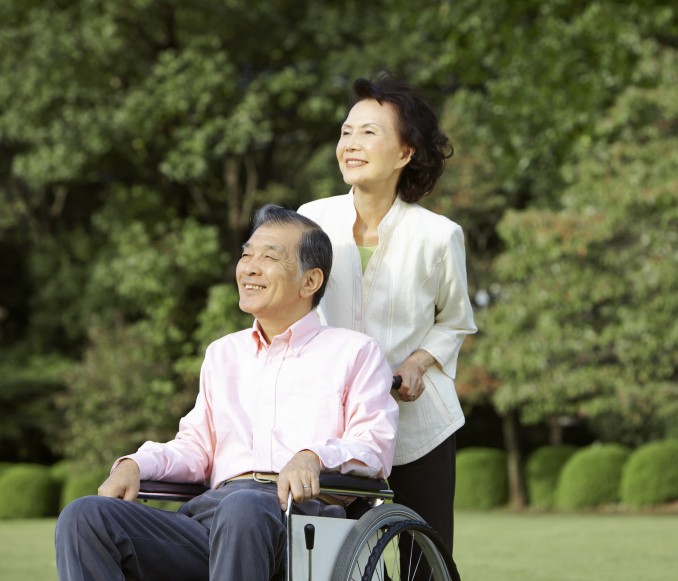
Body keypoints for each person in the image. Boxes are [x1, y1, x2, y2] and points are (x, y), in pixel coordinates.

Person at [54, 204, 399, 581]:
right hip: (211, 519)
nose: (249, 267)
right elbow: (196, 447)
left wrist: (313, 456)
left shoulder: (355, 351)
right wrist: (136, 464)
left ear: (310, 281)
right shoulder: (223, 353)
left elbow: (373, 446)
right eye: (246, 254)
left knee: (245, 506)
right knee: (85, 516)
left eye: (268, 257)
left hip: (301, 522)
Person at [299, 73, 477, 557]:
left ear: (406, 153)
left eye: (369, 132)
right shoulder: (310, 220)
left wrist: (418, 363)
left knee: (427, 560)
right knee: (333, 557)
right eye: (346, 132)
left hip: (419, 426)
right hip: (335, 430)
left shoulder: (439, 236)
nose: (351, 144)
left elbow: (456, 320)